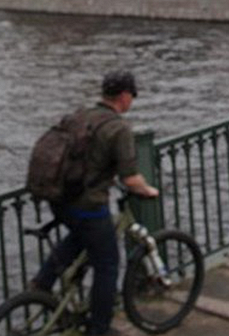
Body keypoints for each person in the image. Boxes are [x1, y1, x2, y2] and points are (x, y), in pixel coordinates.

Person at [30, 71, 159, 336]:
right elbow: (130, 178)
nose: (131, 101)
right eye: (131, 96)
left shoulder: (79, 116)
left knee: (81, 236)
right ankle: (99, 330)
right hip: (87, 205)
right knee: (108, 265)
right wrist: (148, 190)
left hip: (59, 199)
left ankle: (42, 283)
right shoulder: (119, 127)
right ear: (124, 96)